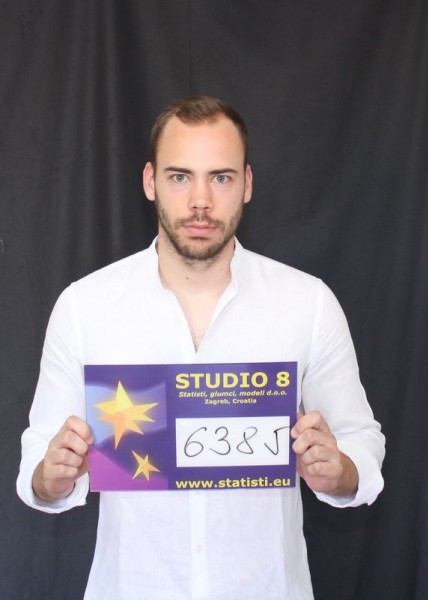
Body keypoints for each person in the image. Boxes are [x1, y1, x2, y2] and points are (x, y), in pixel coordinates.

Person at [17, 96, 385, 599]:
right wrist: (51, 476)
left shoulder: (309, 303)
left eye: (221, 177)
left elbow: (360, 441)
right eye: (179, 176)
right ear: (150, 181)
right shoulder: (85, 306)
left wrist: (340, 470)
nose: (200, 202)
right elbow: (38, 461)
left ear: (247, 184)